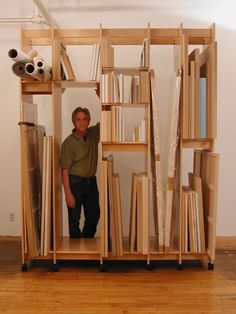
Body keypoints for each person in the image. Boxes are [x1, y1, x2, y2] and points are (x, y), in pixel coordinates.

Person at [61, 107, 100, 238]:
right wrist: (68, 194)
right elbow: (64, 170)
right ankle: (76, 252)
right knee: (74, 220)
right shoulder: (68, 142)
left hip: (91, 182)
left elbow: (107, 118)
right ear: (73, 122)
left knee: (94, 216)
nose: (81, 122)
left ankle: (86, 245)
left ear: (89, 121)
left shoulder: (94, 134)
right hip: (75, 183)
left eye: (84, 119)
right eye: (78, 119)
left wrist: (103, 99)